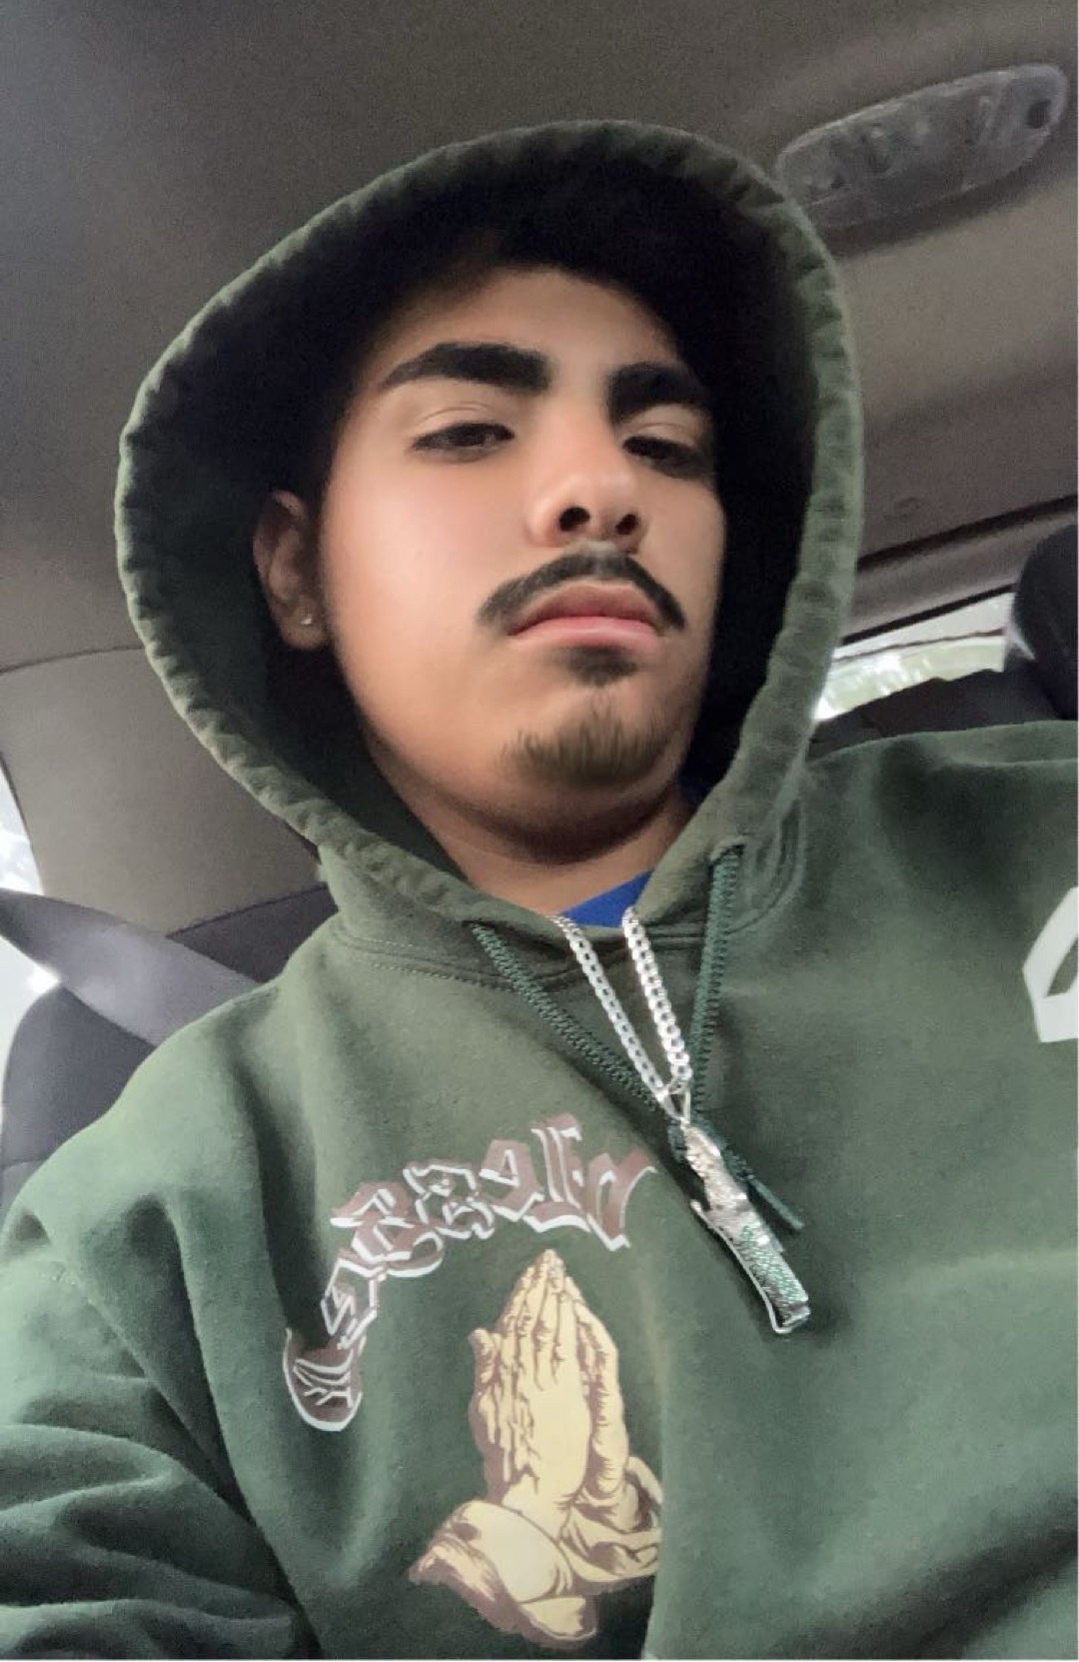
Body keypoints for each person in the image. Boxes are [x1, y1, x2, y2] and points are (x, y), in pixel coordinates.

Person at [0, 119, 1073, 1659]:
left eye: (669, 449)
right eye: (469, 433)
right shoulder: (160, 1211)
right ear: (293, 572)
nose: (597, 487)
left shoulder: (1041, 822)